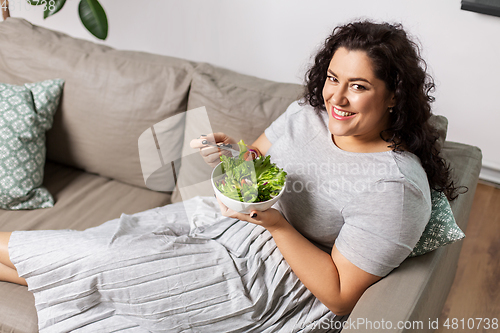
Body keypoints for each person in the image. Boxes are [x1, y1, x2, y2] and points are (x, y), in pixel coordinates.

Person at [0, 20, 459, 332]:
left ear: (394, 94)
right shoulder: (308, 115)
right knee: (102, 250)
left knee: (99, 262)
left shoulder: (395, 189)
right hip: (226, 226)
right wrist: (232, 156)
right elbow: (257, 161)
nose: (336, 97)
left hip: (276, 278)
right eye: (333, 78)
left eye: (358, 86)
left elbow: (339, 296)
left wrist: (274, 221)